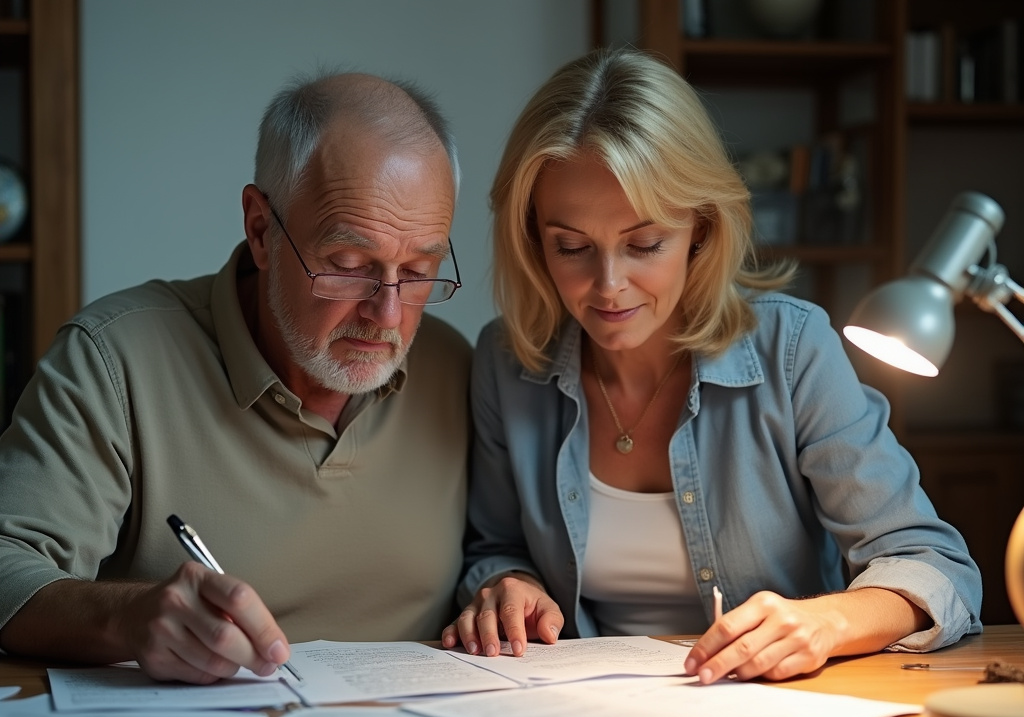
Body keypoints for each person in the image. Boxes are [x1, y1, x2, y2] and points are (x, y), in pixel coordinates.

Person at [442, 48, 983, 684]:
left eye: (645, 244)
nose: (608, 285)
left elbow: (936, 566)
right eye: (572, 247)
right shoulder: (506, 362)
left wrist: (827, 622)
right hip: (575, 704)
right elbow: (494, 547)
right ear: (533, 238)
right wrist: (509, 583)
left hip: (772, 706)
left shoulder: (793, 349)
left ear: (700, 227)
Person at [0, 70, 472, 684]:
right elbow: (8, 565)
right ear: (260, 229)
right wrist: (127, 617)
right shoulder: (114, 359)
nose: (387, 314)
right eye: (349, 265)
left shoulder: (454, 369)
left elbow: (504, 550)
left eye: (417, 271)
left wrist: (508, 583)